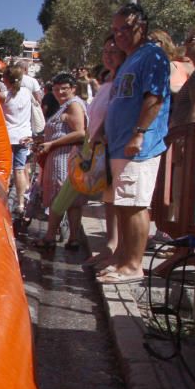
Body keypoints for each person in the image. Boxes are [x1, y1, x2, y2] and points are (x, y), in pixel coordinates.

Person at [97, 3, 171, 285]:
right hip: (118, 145)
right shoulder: (129, 59)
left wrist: (139, 133)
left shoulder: (152, 56)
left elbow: (154, 97)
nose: (119, 35)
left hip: (139, 145)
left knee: (135, 204)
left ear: (142, 26)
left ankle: (133, 265)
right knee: (123, 204)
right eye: (115, 30)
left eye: (125, 28)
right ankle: (122, 258)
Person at [81, 36, 129, 272]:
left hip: (114, 144)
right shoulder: (109, 78)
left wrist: (99, 133)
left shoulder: (122, 78)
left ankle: (119, 251)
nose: (108, 55)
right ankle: (111, 245)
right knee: (109, 200)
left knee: (120, 201)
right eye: (105, 50)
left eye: (114, 51)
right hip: (103, 146)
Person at [31, 72, 88, 250]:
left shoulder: (73, 105)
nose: (60, 92)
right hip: (61, 156)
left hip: (64, 158)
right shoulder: (67, 105)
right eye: (56, 89)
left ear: (73, 89)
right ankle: (73, 238)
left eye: (64, 88)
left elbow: (80, 133)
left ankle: (50, 237)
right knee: (71, 200)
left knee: (60, 198)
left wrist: (52, 143)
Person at [0, 63, 33, 218]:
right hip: (24, 136)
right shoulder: (27, 92)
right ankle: (20, 203)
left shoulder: (4, 96)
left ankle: (2, 200)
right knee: (19, 169)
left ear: (6, 80)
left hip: (8, 136)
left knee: (5, 169)